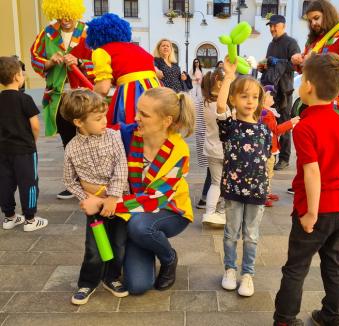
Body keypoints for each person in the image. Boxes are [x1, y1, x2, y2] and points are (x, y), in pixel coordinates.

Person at [80, 87, 195, 294]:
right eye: (137, 111)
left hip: (170, 210)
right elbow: (94, 132)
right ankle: (141, 243)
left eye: (144, 114)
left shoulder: (179, 151)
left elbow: (155, 200)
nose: (136, 117)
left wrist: (105, 202)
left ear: (166, 121)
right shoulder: (126, 134)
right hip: (133, 212)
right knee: (138, 286)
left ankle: (169, 258)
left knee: (139, 226)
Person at [273, 53, 339, 326]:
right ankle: (332, 315)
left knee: (296, 267)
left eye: (302, 78)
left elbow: (312, 171)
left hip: (315, 210)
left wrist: (311, 213)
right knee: (334, 266)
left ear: (308, 86)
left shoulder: (305, 127)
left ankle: (285, 319)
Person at [60, 89, 129, 305]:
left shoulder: (114, 137)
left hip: (117, 202)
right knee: (93, 248)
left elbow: (121, 166)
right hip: (93, 207)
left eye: (105, 116)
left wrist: (112, 197)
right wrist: (85, 198)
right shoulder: (71, 149)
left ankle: (111, 277)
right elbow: (69, 180)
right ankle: (87, 282)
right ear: (79, 122)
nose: (104, 122)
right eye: (98, 119)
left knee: (118, 244)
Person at [217, 57, 271, 297]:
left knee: (251, 235)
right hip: (233, 189)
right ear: (233, 99)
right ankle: (230, 269)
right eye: (244, 96)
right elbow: (219, 107)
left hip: (257, 191)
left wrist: (267, 181)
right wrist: (229, 77)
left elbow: (268, 158)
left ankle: (247, 274)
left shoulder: (264, 129)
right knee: (231, 233)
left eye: (254, 97)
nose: (250, 101)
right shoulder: (230, 126)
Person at [30, 0, 93, 200]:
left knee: (88, 139)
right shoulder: (47, 33)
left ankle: (92, 182)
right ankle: (74, 184)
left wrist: (81, 62)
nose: (65, 20)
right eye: (61, 15)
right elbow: (34, 58)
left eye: (69, 15)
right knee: (68, 141)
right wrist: (49, 62)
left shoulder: (87, 32)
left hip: (84, 96)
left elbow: (101, 59)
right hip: (58, 97)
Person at [291, 0, 339, 141]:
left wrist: (317, 60)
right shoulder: (313, 41)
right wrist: (299, 61)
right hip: (317, 101)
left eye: (316, 18)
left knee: (336, 146)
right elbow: (308, 69)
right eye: (310, 21)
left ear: (327, 14)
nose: (313, 24)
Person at [86, 13, 161, 127]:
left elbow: (103, 88)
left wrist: (88, 100)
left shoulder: (102, 51)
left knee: (129, 131)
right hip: (156, 92)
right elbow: (158, 73)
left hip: (131, 93)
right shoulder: (138, 48)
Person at [0, 56, 48, 232]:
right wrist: (32, 141)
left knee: (5, 182)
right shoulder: (25, 99)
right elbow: (35, 125)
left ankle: (9, 217)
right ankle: (30, 219)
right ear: (16, 77)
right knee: (28, 183)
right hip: (24, 150)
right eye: (21, 73)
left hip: (3, 150)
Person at [259, 14, 300, 171]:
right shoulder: (271, 45)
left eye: (275, 26)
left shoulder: (291, 43)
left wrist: (280, 62)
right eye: (270, 26)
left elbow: (296, 66)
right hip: (271, 90)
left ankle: (284, 158)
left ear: (283, 25)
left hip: (285, 90)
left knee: (284, 122)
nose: (272, 29)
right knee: (269, 121)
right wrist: (263, 66)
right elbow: (270, 65)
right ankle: (271, 153)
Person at [261, 85, 300, 207]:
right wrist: (291, 123)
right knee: (267, 173)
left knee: (268, 172)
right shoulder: (267, 113)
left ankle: (266, 192)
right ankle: (263, 196)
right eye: (270, 95)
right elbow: (276, 130)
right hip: (268, 148)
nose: (273, 97)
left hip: (268, 147)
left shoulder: (266, 111)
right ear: (264, 98)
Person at [202, 68, 226, 226]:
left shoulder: (206, 102)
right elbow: (226, 119)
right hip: (223, 150)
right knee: (222, 183)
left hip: (211, 148)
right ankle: (221, 211)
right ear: (218, 82)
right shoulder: (219, 104)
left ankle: (210, 212)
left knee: (215, 182)